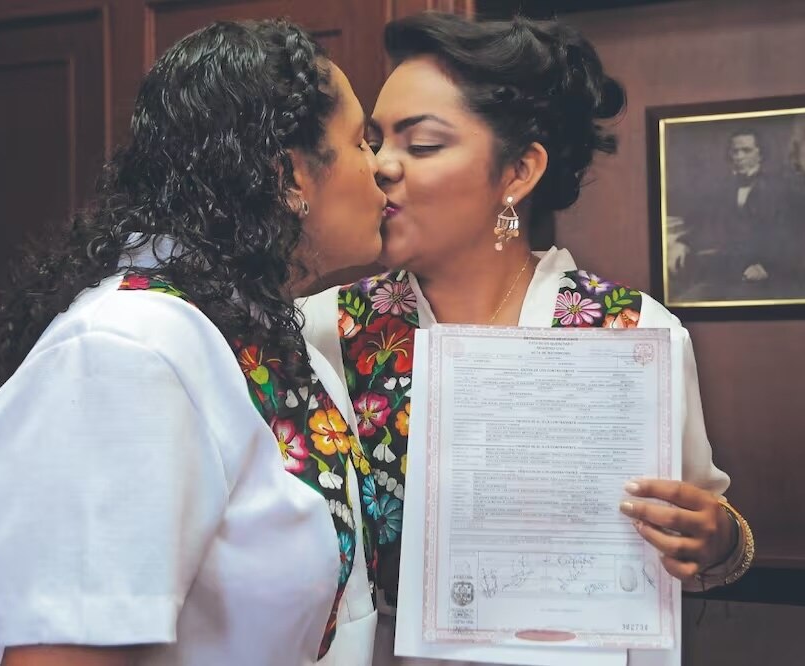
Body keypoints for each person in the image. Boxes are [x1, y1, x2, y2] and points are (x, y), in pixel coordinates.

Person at [299, 12, 754, 665]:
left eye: (421, 144)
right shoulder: (325, 330)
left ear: (517, 173)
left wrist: (714, 538)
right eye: (373, 142)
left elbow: (708, 523)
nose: (382, 167)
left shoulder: (633, 333)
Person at [0, 19, 388, 666]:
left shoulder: (275, 342)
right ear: (289, 176)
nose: (384, 169)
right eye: (361, 142)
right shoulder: (127, 351)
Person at [671, 127, 805, 302]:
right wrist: (682, 243)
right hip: (726, 273)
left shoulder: (780, 188)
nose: (739, 157)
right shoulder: (723, 188)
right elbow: (706, 223)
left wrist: (768, 268)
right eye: (735, 151)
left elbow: (794, 238)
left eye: (746, 150)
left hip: (771, 278)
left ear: (760, 154)